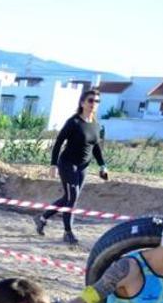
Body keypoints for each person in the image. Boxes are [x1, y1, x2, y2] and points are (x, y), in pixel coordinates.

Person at [34, 89, 108, 246]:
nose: (94, 104)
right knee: (72, 198)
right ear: (82, 103)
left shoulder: (96, 125)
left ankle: (42, 218)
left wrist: (103, 166)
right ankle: (68, 232)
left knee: (69, 198)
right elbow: (59, 142)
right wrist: (53, 164)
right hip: (68, 164)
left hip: (83, 167)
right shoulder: (73, 122)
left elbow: (96, 148)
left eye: (97, 101)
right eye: (91, 100)